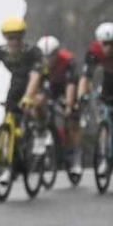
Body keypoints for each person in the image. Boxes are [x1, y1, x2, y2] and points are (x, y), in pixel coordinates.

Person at [0, 16, 42, 188]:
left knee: (34, 105)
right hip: (17, 82)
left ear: (23, 37)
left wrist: (29, 97)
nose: (13, 42)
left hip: (35, 81)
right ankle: (10, 167)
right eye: (10, 37)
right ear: (5, 38)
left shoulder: (33, 51)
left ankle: (38, 134)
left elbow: (35, 76)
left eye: (17, 37)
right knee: (10, 119)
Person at [36, 36, 82, 175]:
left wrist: (69, 105)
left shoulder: (67, 60)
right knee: (39, 104)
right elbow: (36, 83)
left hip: (69, 86)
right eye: (45, 57)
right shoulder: (38, 62)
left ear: (57, 53)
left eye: (50, 56)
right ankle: (42, 134)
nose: (48, 60)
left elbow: (70, 84)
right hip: (52, 87)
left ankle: (75, 157)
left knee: (72, 118)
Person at [78, 22, 113, 117]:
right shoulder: (94, 51)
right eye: (105, 44)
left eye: (112, 43)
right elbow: (86, 77)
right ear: (99, 43)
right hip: (108, 77)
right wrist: (81, 96)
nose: (109, 48)